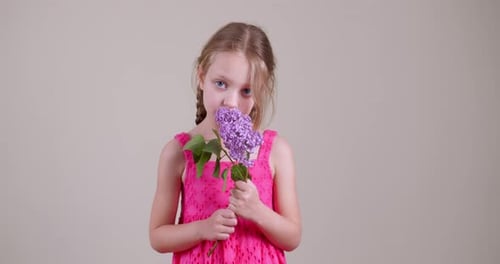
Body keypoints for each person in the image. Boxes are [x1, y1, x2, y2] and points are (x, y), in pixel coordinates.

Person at [149, 22, 301, 263]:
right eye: (221, 84)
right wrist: (202, 229)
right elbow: (158, 236)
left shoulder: (275, 152)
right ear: (201, 77)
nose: (231, 102)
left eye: (246, 91)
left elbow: (292, 237)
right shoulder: (179, 152)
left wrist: (258, 211)